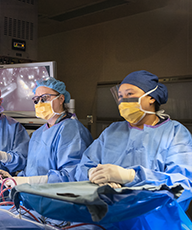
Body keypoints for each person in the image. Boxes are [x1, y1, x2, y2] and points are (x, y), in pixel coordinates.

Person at [75, 70, 192, 210]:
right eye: (120, 96)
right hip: (109, 215)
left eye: (129, 94)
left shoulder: (175, 133)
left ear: (151, 97)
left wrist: (131, 177)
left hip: (154, 218)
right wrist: (93, 175)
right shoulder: (112, 131)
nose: (123, 101)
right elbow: (85, 165)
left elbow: (183, 184)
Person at [0, 77, 93, 187]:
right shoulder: (38, 134)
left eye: (44, 98)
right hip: (35, 198)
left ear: (61, 99)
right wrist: (15, 179)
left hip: (58, 200)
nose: (39, 103)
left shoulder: (72, 130)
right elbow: (32, 170)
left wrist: (29, 182)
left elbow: (71, 176)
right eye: (36, 100)